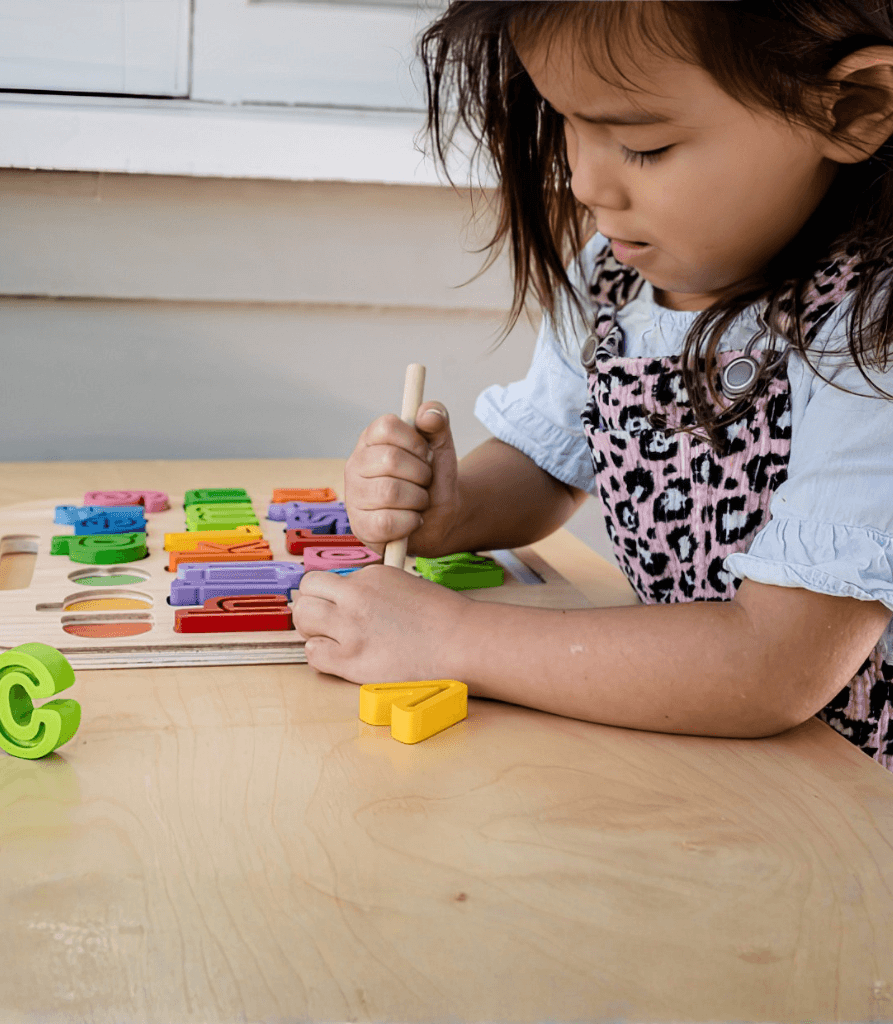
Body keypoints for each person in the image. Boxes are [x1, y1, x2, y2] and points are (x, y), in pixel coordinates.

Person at [292, 0, 893, 771]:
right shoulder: (615, 275)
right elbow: (549, 463)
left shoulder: (870, 336)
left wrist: (450, 639)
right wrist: (452, 509)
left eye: (644, 144)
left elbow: (772, 667)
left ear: (852, 109)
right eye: (566, 121)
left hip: (852, 802)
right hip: (700, 752)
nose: (583, 181)